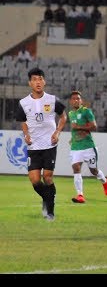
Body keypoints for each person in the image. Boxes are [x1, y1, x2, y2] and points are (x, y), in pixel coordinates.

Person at [15, 67, 67, 221]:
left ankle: (50, 212)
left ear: (44, 81)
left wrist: (57, 132)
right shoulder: (23, 103)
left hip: (49, 144)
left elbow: (63, 117)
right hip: (33, 146)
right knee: (35, 180)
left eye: (40, 79)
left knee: (48, 177)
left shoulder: (52, 99)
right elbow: (23, 121)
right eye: (34, 79)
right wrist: (26, 134)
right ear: (30, 83)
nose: (38, 82)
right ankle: (48, 197)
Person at [67, 91, 107, 203]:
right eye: (74, 99)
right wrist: (73, 137)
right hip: (76, 147)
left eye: (78, 98)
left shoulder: (87, 112)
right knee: (76, 168)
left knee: (93, 170)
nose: (76, 100)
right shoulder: (70, 113)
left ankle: (105, 182)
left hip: (88, 147)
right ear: (70, 101)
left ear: (81, 101)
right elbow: (74, 129)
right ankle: (80, 195)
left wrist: (78, 127)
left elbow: (94, 126)